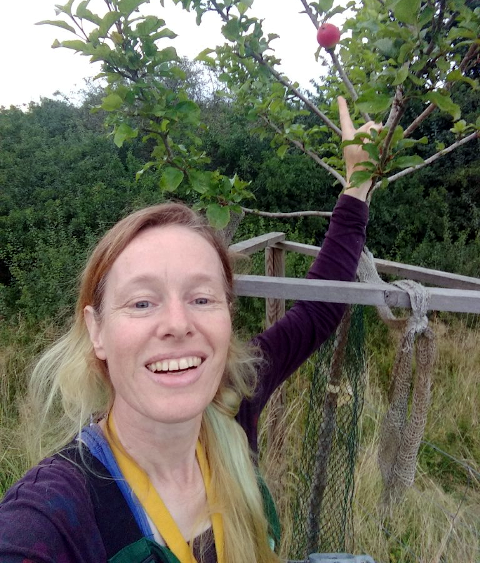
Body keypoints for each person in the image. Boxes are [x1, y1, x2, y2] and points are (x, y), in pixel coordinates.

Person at [0, 98, 380, 563]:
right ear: (96, 331)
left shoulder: (233, 398)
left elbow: (321, 309)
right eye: (142, 302)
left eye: (201, 298)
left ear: (227, 315)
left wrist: (358, 182)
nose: (178, 324)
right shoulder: (55, 513)